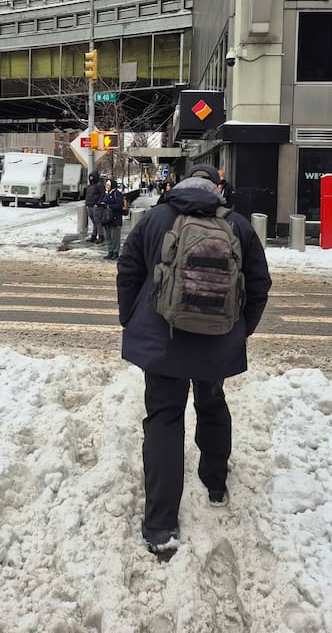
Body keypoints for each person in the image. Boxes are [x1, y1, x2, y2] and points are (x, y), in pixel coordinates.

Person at [117, 163, 271, 559]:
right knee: (212, 404)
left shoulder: (155, 219)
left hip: (162, 344)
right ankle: (215, 481)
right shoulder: (237, 225)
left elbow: (128, 268)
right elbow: (258, 284)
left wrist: (130, 319)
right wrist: (242, 329)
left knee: (165, 420)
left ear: (180, 184)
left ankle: (160, 527)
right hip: (217, 341)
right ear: (217, 188)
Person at [101, 178, 123, 260]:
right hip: (107, 219)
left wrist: (108, 206)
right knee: (108, 236)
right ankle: (110, 251)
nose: (106, 186)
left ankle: (115, 252)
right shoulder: (106, 194)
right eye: (106, 184)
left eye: (108, 185)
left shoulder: (117, 194)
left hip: (115, 219)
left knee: (115, 237)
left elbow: (119, 205)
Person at [85, 170, 105, 243]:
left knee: (98, 221)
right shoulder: (90, 185)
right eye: (90, 176)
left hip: (96, 206)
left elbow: (102, 195)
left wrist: (98, 203)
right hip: (89, 205)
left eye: (92, 176)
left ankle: (101, 236)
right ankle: (94, 235)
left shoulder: (99, 185)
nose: (91, 178)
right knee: (94, 222)